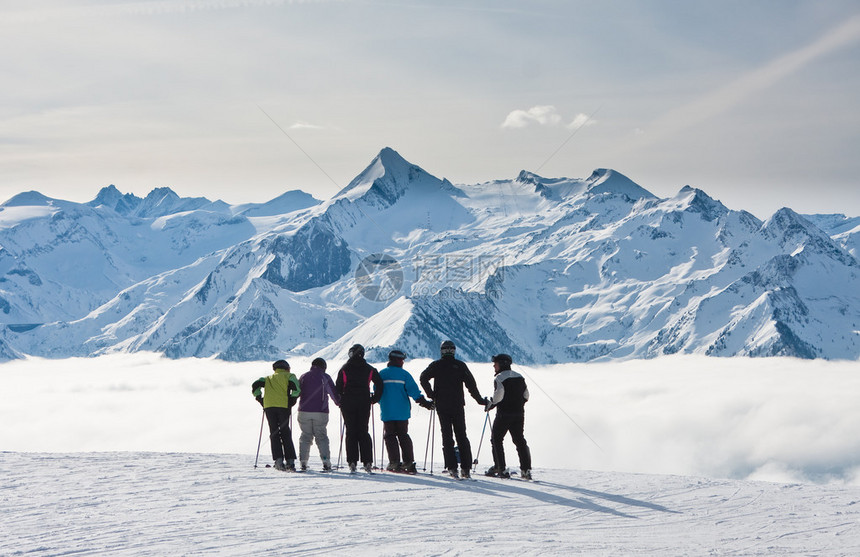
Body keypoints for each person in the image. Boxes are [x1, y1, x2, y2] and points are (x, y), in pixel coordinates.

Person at [419, 340, 487, 479]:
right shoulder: (460, 366)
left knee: (447, 436)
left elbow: (423, 377)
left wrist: (431, 394)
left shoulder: (436, 365)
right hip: (457, 405)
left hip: (442, 405)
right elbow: (471, 385)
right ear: (454, 351)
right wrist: (481, 401)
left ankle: (452, 468)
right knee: (462, 436)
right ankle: (466, 468)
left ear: (441, 351)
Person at [378, 349, 434, 474]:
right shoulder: (404, 375)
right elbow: (414, 392)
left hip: (387, 411)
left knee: (390, 436)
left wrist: (381, 402)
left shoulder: (382, 374)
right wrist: (425, 403)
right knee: (403, 436)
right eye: (402, 359)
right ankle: (408, 462)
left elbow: (377, 392)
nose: (403, 362)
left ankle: (394, 462)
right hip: (402, 412)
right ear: (397, 360)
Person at [335, 344, 384, 473]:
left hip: (348, 402)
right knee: (363, 430)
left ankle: (352, 462)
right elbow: (379, 384)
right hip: (364, 402)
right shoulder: (369, 369)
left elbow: (338, 386)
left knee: (351, 431)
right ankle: (367, 461)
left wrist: (341, 399)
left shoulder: (345, 368)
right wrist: (375, 399)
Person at [484, 353, 532, 480]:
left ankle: (500, 468)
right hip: (519, 414)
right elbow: (526, 395)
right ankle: (526, 470)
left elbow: (498, 396)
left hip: (504, 414)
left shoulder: (499, 378)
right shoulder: (520, 377)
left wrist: (490, 405)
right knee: (519, 440)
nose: (494, 366)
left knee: (496, 439)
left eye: (496, 363)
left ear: (502, 364)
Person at [252, 359, 301, 471]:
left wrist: (261, 399)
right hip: (283, 406)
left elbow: (255, 385)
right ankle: (290, 461)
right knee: (285, 432)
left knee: (274, 433)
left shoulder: (267, 378)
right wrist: (292, 401)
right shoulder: (289, 376)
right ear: (286, 368)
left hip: (269, 407)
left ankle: (278, 461)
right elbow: (297, 390)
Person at [297, 357, 341, 472]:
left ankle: (303, 462)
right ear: (324, 367)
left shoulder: (303, 376)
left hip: (303, 411)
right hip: (321, 412)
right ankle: (326, 462)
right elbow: (333, 393)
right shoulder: (325, 377)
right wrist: (339, 403)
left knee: (305, 436)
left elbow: (297, 392)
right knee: (321, 437)